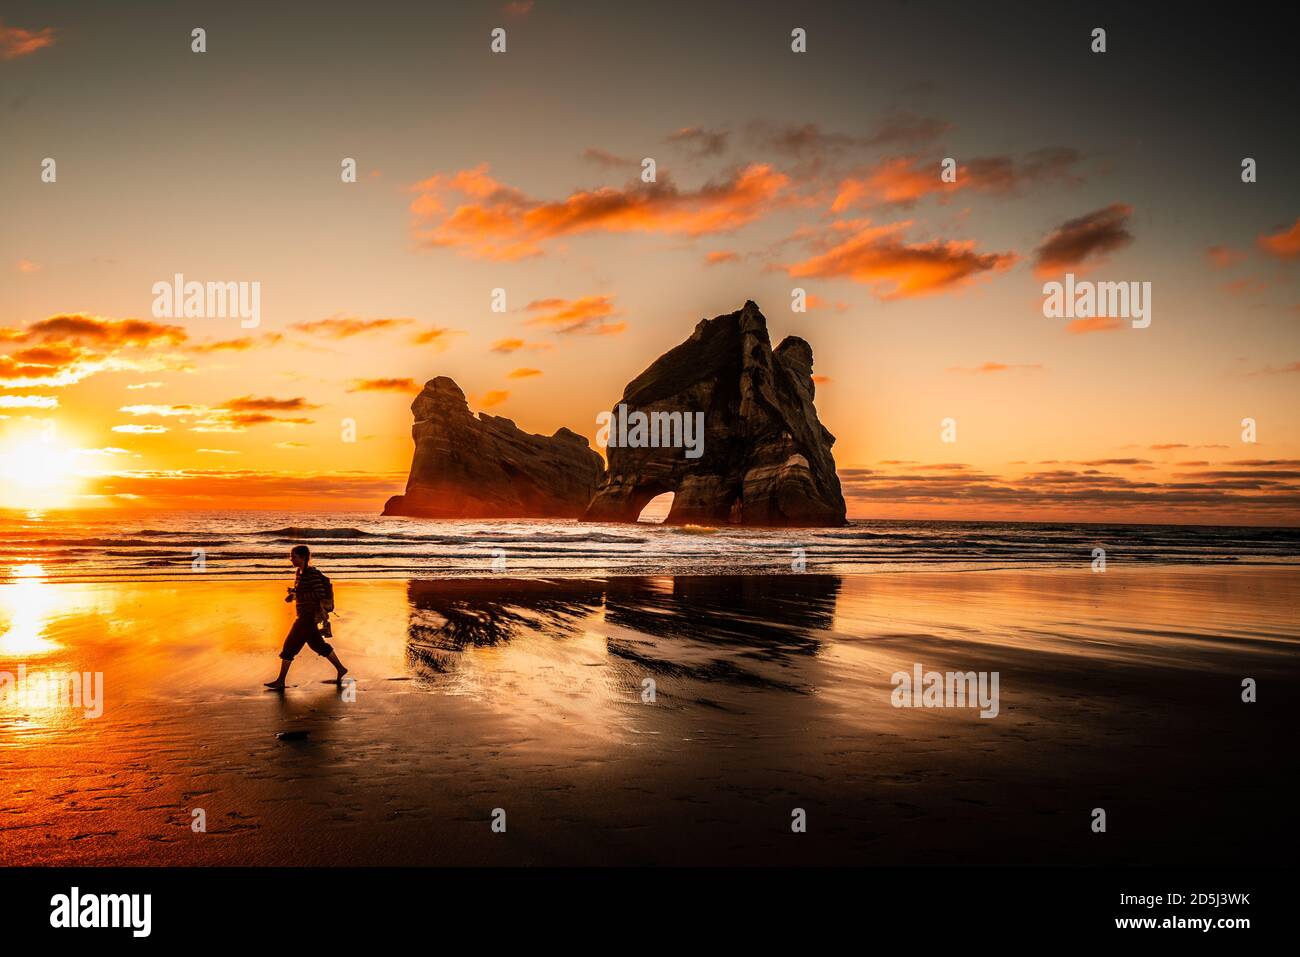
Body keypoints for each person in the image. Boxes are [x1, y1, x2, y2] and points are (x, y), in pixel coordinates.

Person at [264, 545, 348, 689]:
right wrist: (293, 594)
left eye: (294, 556)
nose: (291, 559)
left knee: (289, 647)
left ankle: (281, 681)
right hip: (303, 615)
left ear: (303, 557)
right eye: (291, 556)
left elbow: (319, 593)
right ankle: (341, 669)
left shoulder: (311, 573)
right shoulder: (299, 572)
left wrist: (298, 595)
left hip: (308, 617)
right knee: (318, 646)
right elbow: (302, 591)